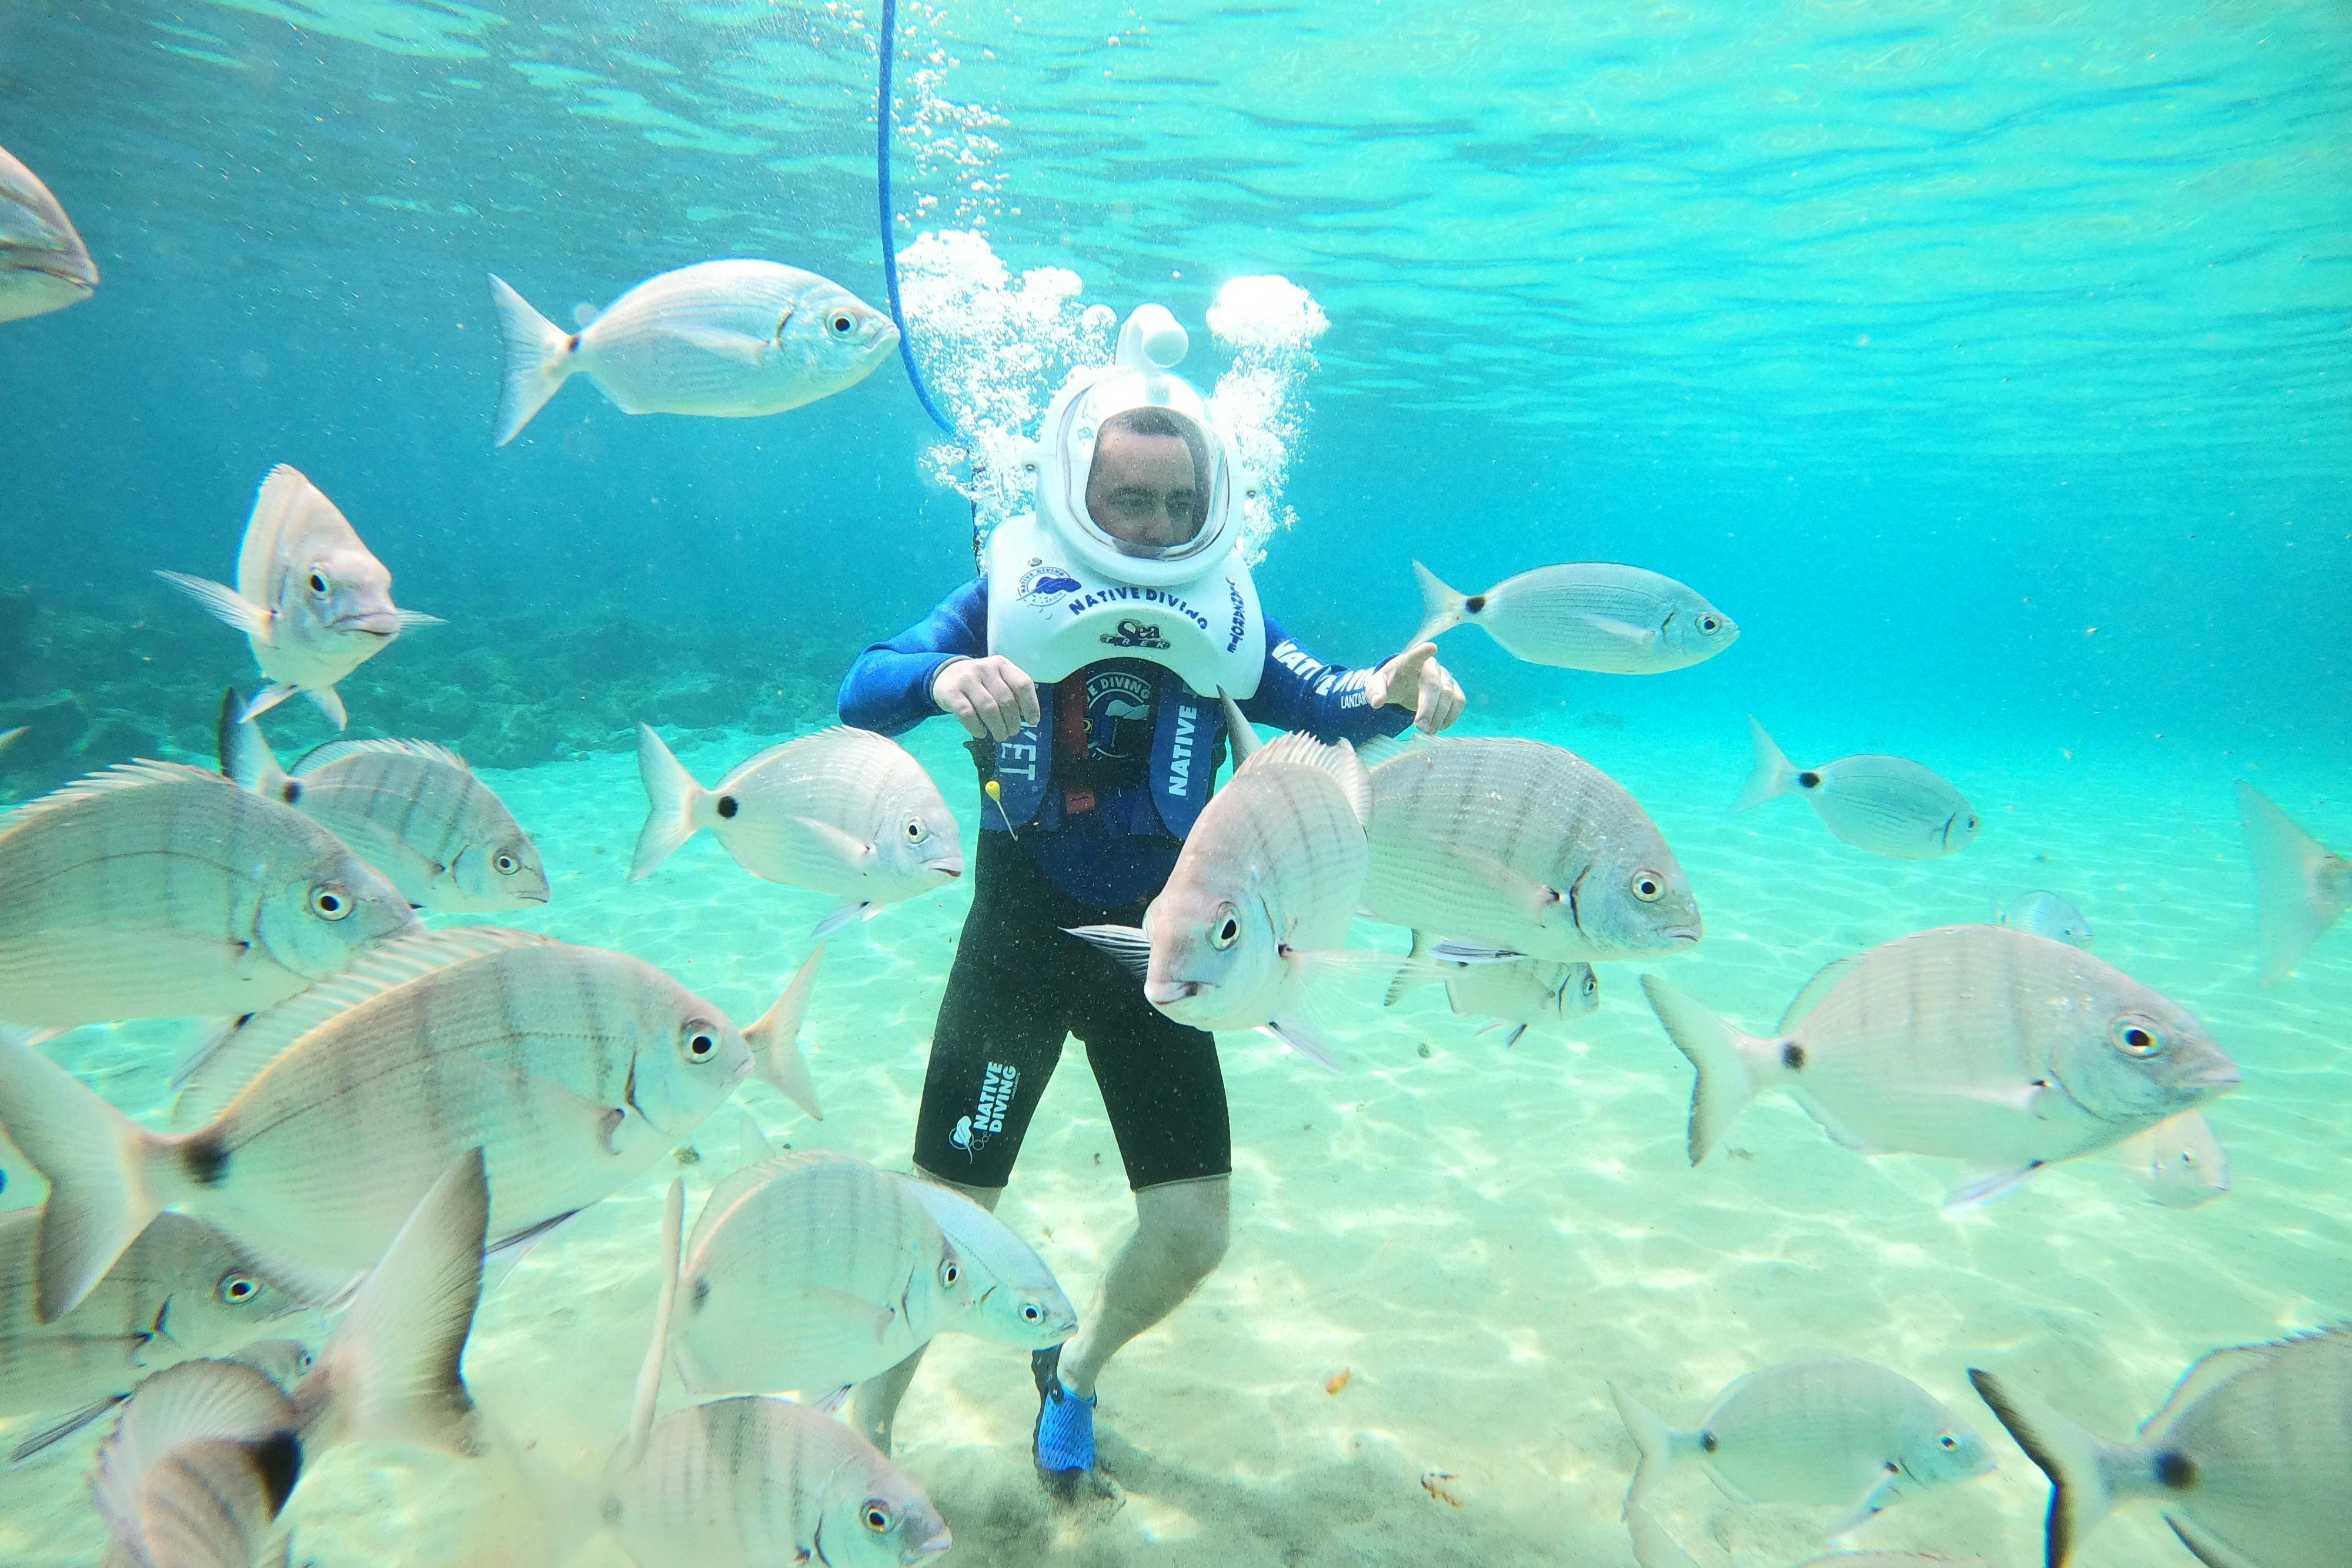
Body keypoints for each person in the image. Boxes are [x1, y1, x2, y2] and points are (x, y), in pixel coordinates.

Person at [837, 304, 1464, 1497]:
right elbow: (860, 689)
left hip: (1167, 965)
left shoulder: (1225, 609)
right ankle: (862, 1441)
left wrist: (1396, 691)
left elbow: (1325, 699)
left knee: (1192, 1231)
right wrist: (942, 673)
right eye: (1133, 499)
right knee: (945, 1223)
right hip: (1016, 949)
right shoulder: (1002, 590)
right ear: (1077, 488)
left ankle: (1073, 1370)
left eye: (1180, 503)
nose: (1159, 523)